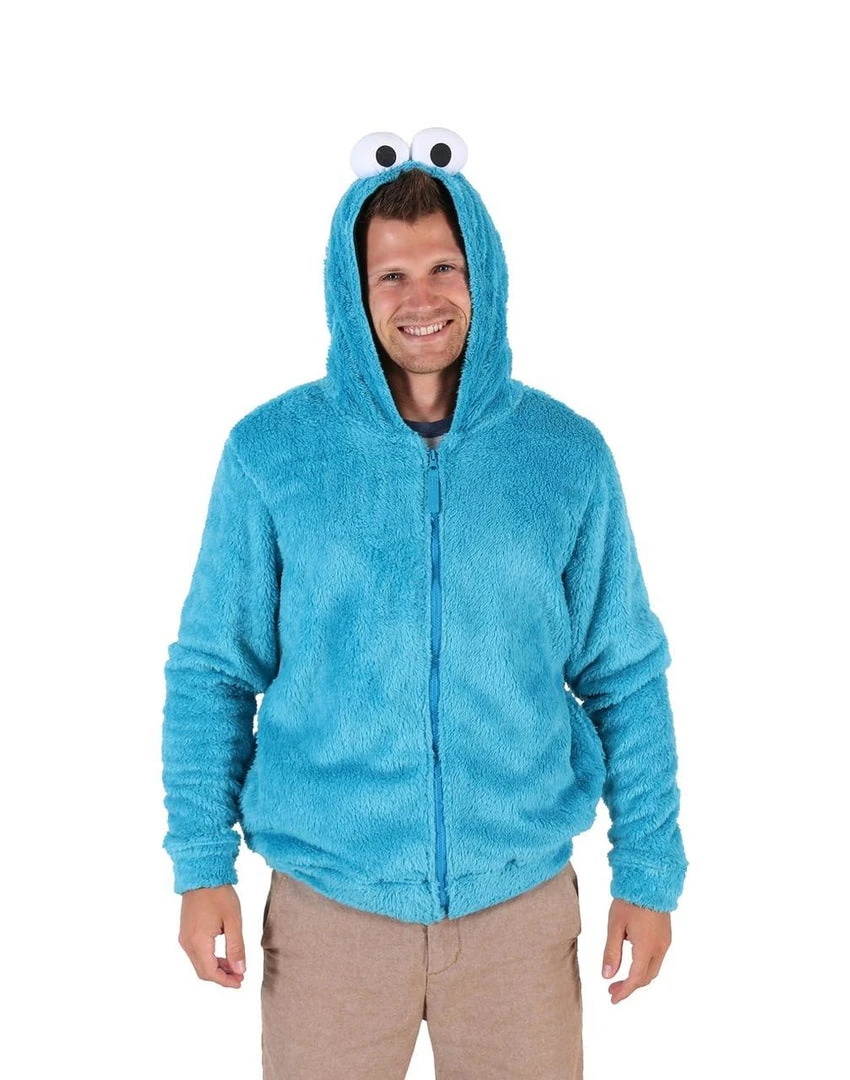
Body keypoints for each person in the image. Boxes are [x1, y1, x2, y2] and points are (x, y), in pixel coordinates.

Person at [161, 127, 688, 1079]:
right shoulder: (272, 453)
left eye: (444, 267)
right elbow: (213, 672)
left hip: (518, 913)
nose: (421, 298)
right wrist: (202, 866)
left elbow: (624, 674)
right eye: (392, 275)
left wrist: (649, 874)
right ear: (352, 292)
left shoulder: (565, 456)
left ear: (483, 274)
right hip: (328, 911)